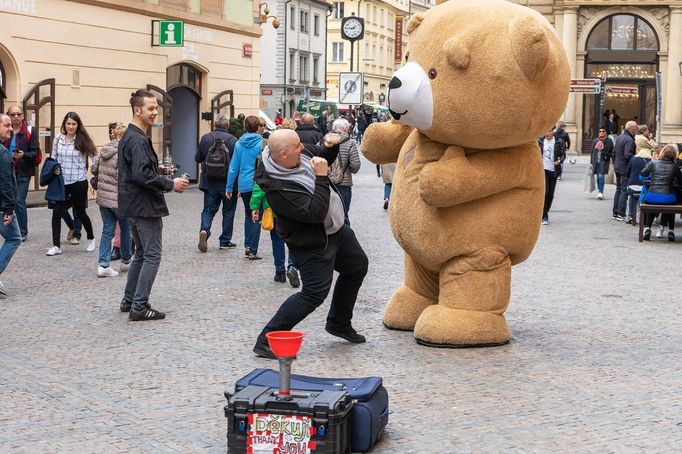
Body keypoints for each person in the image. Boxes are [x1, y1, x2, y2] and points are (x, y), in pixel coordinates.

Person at [252, 129, 368, 359]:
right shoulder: (277, 188)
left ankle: (338, 323)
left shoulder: (296, 153)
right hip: (311, 242)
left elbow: (321, 154)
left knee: (356, 266)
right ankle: (266, 339)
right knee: (313, 293)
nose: (303, 148)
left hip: (335, 230)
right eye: (297, 147)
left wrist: (330, 146)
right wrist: (322, 177)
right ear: (283, 154)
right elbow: (314, 212)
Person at [118, 89, 189, 321]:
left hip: (132, 204)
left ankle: (129, 300)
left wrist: (156, 173)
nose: (154, 113)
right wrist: (170, 183)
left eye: (156, 109)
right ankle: (139, 306)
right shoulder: (137, 139)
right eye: (150, 109)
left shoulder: (130, 136)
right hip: (143, 206)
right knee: (152, 255)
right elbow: (141, 175)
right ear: (137, 110)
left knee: (140, 254)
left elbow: (137, 171)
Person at [47, 112, 97, 256]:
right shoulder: (58, 138)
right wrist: (54, 168)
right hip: (62, 181)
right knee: (57, 211)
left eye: (73, 124)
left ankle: (91, 238)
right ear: (64, 124)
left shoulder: (82, 139)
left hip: (78, 180)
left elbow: (95, 157)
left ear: (78, 125)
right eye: (68, 123)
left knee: (80, 212)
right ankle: (56, 246)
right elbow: (53, 157)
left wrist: (99, 171)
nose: (70, 126)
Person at [91, 122, 132, 277]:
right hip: (119, 199)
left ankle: (103, 264)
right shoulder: (124, 152)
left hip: (104, 199)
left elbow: (94, 169)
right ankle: (126, 261)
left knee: (107, 230)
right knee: (126, 229)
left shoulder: (104, 150)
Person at [195, 113, 238, 252]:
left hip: (210, 182)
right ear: (227, 125)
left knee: (208, 210)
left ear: (214, 124)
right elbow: (236, 164)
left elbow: (198, 158)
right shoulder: (233, 140)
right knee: (228, 212)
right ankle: (225, 241)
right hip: (228, 184)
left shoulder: (206, 138)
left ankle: (205, 231)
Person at [226, 115, 264, 260]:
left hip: (244, 183)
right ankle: (253, 249)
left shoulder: (238, 143)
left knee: (249, 215)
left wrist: (229, 187)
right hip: (258, 183)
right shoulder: (262, 143)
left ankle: (247, 245)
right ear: (258, 127)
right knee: (257, 216)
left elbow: (233, 167)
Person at [5, 106, 39, 242]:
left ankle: (22, 232)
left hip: (23, 171)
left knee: (19, 200)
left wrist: (24, 155)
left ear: (23, 116)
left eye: (18, 114)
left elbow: (35, 152)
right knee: (9, 201)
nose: (16, 117)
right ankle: (11, 229)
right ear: (9, 116)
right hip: (8, 171)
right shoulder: (6, 131)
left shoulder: (30, 131)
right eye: (13, 114)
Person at [0, 114, 22, 298]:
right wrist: (8, 208)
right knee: (14, 238)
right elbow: (6, 183)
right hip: (2, 206)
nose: (10, 128)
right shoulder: (2, 153)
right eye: (6, 125)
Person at [640, 144, 682, 241]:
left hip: (651, 196)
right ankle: (671, 231)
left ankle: (647, 229)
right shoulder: (675, 166)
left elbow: (643, 173)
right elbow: (680, 182)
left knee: (652, 203)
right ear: (673, 155)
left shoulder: (653, 163)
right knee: (671, 204)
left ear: (662, 153)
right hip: (668, 197)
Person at [331, 118, 361, 225]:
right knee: (343, 214)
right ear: (345, 129)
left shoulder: (324, 141)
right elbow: (355, 164)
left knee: (329, 214)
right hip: (344, 183)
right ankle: (345, 239)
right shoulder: (350, 143)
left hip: (326, 184)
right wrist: (350, 171)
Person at [538, 127, 565, 225]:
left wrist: (560, 161)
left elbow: (563, 154)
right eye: (545, 131)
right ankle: (544, 216)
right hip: (543, 170)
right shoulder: (540, 141)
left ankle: (546, 211)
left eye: (548, 131)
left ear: (553, 131)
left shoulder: (559, 141)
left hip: (554, 170)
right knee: (545, 192)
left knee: (551, 195)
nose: (546, 133)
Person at [612, 120, 638, 221]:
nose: (636, 131)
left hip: (618, 167)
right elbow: (627, 154)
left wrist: (615, 163)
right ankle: (620, 213)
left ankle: (615, 213)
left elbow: (614, 153)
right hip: (624, 168)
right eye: (635, 129)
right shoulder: (629, 140)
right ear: (631, 129)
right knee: (624, 190)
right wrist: (636, 157)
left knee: (618, 189)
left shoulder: (620, 137)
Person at [625, 146, 652, 225]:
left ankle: (630, 216)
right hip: (643, 187)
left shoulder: (633, 159)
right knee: (643, 196)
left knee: (631, 197)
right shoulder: (650, 161)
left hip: (631, 186)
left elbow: (628, 172)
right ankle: (641, 217)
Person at [589, 127, 614, 200]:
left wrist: (603, 152)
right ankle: (599, 191)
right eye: (600, 131)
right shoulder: (595, 140)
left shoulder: (609, 141)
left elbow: (612, 152)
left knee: (601, 176)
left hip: (604, 161)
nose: (601, 132)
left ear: (606, 132)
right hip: (595, 161)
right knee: (598, 177)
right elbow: (592, 152)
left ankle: (601, 192)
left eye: (603, 131)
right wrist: (591, 163)